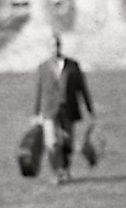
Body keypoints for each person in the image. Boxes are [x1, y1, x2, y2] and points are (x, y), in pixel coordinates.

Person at [33, 32, 95, 184]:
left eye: (57, 44)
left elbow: (82, 88)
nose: (55, 48)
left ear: (61, 46)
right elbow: (39, 90)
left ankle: (66, 170)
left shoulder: (72, 66)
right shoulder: (43, 67)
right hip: (49, 110)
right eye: (52, 45)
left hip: (69, 110)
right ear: (49, 47)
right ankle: (56, 172)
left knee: (67, 142)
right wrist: (36, 113)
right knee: (52, 142)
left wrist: (89, 109)